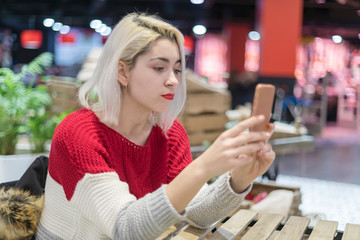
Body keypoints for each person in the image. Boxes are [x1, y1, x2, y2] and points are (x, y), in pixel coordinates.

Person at [36, 12, 275, 240]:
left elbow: (197, 215)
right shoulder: (78, 134)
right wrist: (203, 166)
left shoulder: (169, 133)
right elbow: (125, 228)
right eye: (159, 68)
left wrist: (239, 179)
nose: (173, 80)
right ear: (122, 71)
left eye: (177, 69)